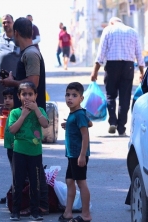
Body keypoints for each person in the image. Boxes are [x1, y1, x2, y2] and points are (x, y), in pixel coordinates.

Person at [1, 17, 49, 217]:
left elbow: (33, 83)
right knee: (23, 166)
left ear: (17, 33)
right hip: (25, 115)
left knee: (31, 169)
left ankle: (40, 205)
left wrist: (12, 83)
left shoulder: (30, 54)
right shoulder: (29, 52)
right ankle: (24, 201)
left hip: (32, 118)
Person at [90, 17, 145, 136]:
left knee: (110, 96)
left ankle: (112, 122)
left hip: (112, 66)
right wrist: (142, 71)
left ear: (111, 22)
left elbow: (101, 53)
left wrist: (95, 71)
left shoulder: (108, 30)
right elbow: (139, 54)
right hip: (128, 66)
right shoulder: (132, 31)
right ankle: (121, 128)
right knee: (124, 98)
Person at [8, 82, 49, 221]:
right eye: (24, 94)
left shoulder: (41, 111)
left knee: (35, 182)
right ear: (19, 96)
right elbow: (12, 130)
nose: (27, 97)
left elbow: (45, 124)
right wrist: (23, 115)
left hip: (35, 153)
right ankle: (15, 211)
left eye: (30, 94)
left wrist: (36, 110)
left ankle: (35, 211)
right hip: (19, 152)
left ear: (36, 96)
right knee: (18, 182)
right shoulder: (15, 112)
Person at [59, 82, 92, 222]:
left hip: (78, 155)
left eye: (74, 95)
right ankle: (68, 212)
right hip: (72, 155)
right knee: (69, 181)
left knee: (81, 183)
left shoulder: (78, 114)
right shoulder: (76, 113)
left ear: (81, 98)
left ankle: (86, 215)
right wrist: (69, 125)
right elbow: (89, 123)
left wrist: (82, 155)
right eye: (67, 95)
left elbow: (85, 135)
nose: (69, 98)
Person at [0, 87, 15, 204]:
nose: (7, 100)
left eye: (10, 98)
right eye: (5, 98)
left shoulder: (17, 113)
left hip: (16, 148)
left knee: (18, 173)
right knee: (14, 172)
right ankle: (12, 193)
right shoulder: (10, 113)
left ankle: (14, 194)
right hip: (10, 147)